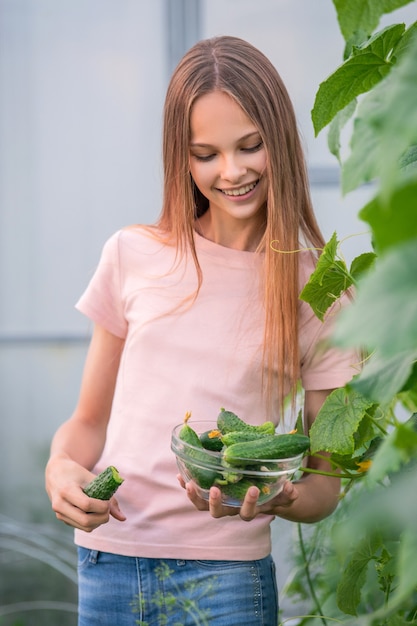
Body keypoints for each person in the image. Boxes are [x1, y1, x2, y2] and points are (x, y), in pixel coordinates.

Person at [45, 35, 357, 626]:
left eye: (250, 146)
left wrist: (278, 495)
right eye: (205, 153)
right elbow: (88, 423)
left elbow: (323, 487)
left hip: (228, 580)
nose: (232, 171)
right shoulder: (132, 254)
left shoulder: (320, 289)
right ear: (180, 158)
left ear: (280, 142)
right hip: (109, 565)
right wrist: (61, 468)